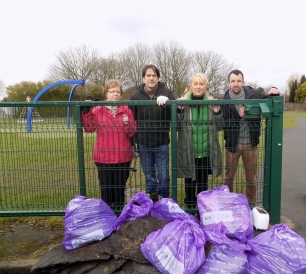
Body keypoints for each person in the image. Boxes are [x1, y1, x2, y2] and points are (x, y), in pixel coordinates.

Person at [222, 69, 279, 205]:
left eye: (239, 81)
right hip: (232, 145)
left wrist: (274, 90)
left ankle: (251, 204)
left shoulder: (254, 95)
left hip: (250, 144)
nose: (236, 84)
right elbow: (222, 122)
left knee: (251, 179)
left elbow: (269, 100)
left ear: (243, 82)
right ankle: (228, 204)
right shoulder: (225, 100)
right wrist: (239, 116)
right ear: (228, 83)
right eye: (233, 81)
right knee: (228, 178)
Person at [81, 79, 137, 209]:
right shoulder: (97, 110)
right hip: (103, 158)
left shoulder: (126, 110)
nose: (116, 94)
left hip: (123, 157)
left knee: (119, 191)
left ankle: (118, 218)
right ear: (106, 93)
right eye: (112, 91)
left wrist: (127, 123)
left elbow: (131, 132)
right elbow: (89, 129)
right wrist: (86, 112)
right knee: (106, 191)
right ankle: (106, 218)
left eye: (118, 91)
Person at [176, 73, 223, 209]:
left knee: (203, 182)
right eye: (195, 84)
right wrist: (179, 111)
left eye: (201, 84)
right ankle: (190, 207)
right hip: (189, 150)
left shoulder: (212, 102)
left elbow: (220, 126)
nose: (198, 86)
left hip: (206, 151)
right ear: (191, 85)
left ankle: (202, 208)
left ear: (205, 86)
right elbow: (177, 127)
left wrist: (217, 113)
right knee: (189, 181)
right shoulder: (182, 102)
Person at [130, 64, 175, 202]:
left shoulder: (167, 92)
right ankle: (151, 199)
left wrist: (168, 104)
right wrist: (133, 143)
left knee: (163, 175)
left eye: (154, 75)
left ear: (158, 78)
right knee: (149, 175)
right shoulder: (135, 96)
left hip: (161, 142)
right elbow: (132, 121)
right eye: (148, 75)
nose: (151, 78)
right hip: (143, 142)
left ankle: (164, 200)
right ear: (143, 78)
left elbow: (175, 114)